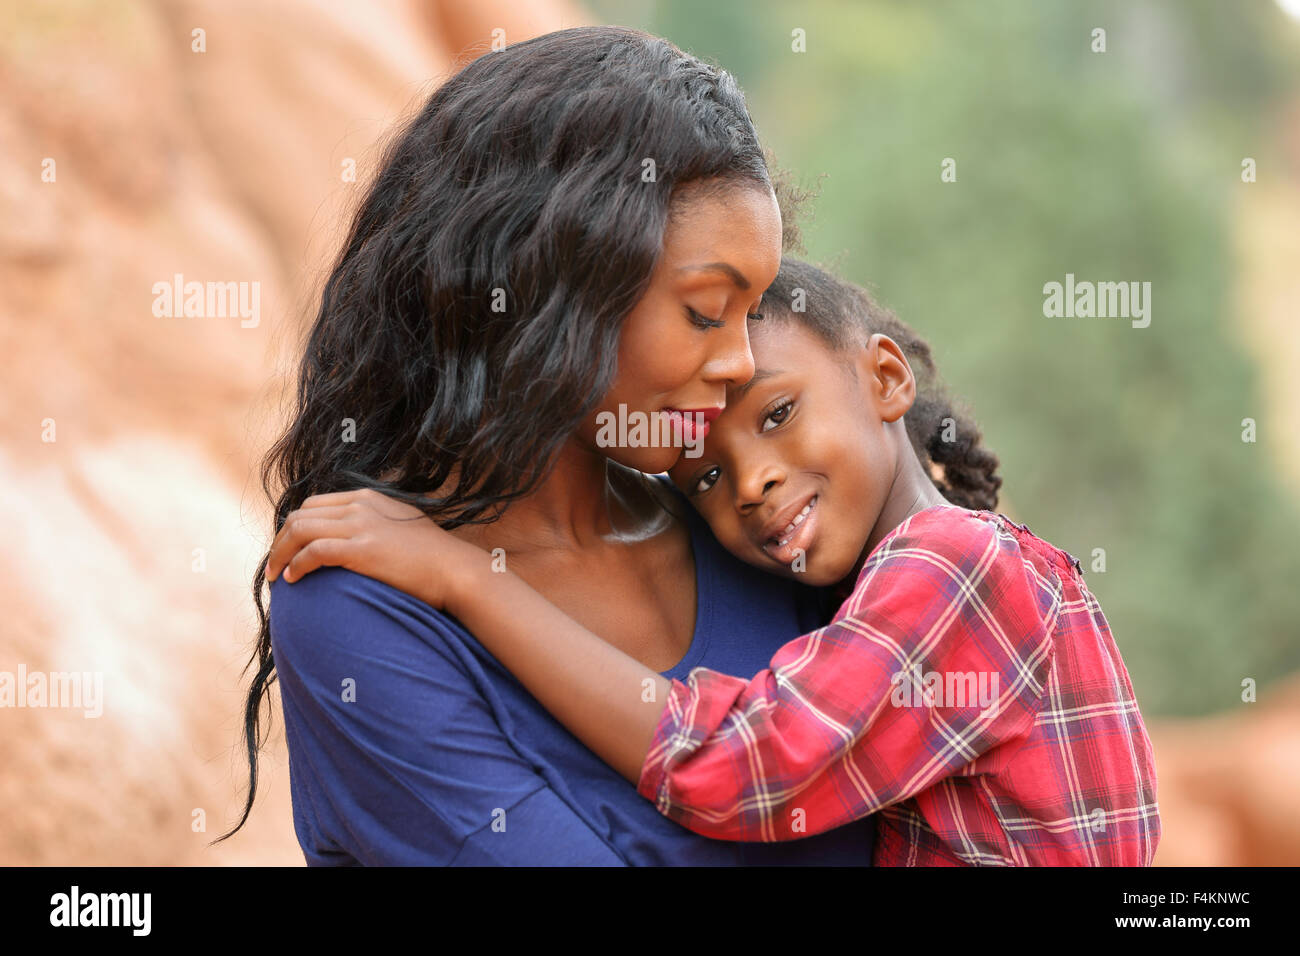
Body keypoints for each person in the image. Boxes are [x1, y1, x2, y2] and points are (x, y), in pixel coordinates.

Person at [218, 27, 876, 865]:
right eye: (707, 312)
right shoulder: (360, 604)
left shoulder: (763, 528)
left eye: (752, 316)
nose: (741, 361)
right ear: (551, 285)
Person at [269, 257, 1162, 866]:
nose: (751, 482)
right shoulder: (944, 573)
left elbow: (742, 764)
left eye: (776, 415)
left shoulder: (949, 566)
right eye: (703, 477)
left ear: (887, 379)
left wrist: (466, 579)